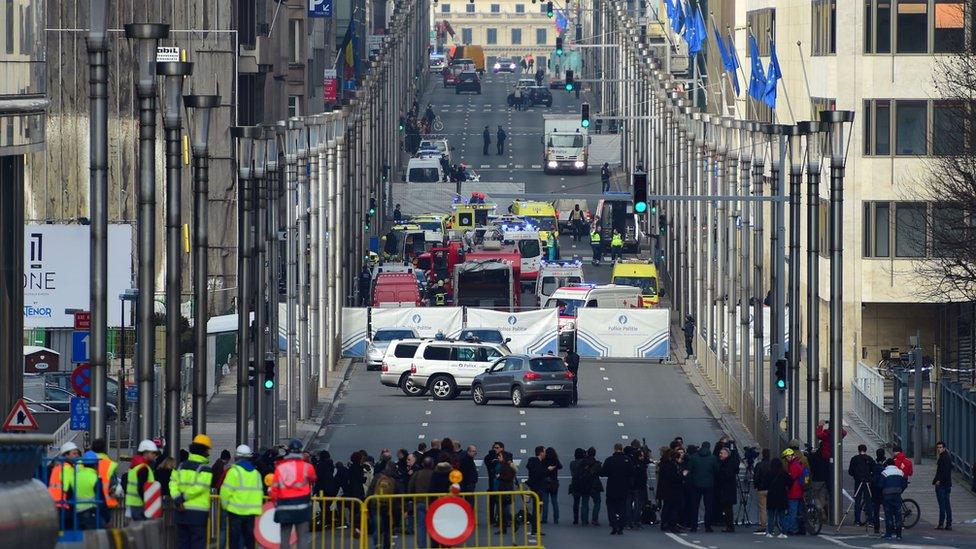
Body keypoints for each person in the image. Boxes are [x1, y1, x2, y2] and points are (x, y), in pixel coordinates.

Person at [270, 440, 317, 549]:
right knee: (302, 538)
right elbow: (313, 478)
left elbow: (274, 489)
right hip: (302, 507)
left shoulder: (280, 468)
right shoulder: (307, 467)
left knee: (285, 538)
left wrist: (276, 503)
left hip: (284, 507)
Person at [171, 434, 214, 549]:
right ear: (204, 450)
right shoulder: (205, 469)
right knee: (197, 544)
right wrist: (183, 498)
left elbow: (172, 483)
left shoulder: (180, 466)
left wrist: (177, 499)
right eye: (207, 450)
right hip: (198, 515)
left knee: (182, 543)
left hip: (180, 512)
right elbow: (199, 487)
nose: (208, 453)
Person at [220, 444, 263, 549]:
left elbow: (225, 492)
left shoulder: (234, 472)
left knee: (234, 541)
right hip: (251, 513)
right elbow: (260, 493)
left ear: (236, 457)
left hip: (235, 512)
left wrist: (225, 506)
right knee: (249, 541)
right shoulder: (256, 474)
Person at [600, 443, 633, 535]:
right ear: (621, 449)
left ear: (614, 449)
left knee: (611, 507)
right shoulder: (627, 460)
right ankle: (621, 526)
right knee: (622, 507)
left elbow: (603, 473)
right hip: (623, 487)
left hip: (612, 487)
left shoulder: (609, 460)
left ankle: (614, 525)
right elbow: (632, 472)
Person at [686, 441, 718, 532]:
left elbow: (689, 470)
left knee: (694, 506)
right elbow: (716, 471)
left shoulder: (693, 457)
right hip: (709, 485)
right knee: (708, 506)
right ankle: (708, 526)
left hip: (695, 484)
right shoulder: (713, 458)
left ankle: (694, 526)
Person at [127, 439, 160, 521]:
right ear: (145, 453)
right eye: (153, 453)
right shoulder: (143, 468)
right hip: (142, 506)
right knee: (145, 531)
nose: (155, 455)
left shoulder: (134, 467)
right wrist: (150, 504)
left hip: (133, 505)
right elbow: (142, 488)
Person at [90, 437, 119, 524]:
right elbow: (114, 484)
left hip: (88, 501)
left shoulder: (83, 461)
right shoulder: (109, 463)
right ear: (104, 448)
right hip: (107, 501)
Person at [74, 451, 105, 530]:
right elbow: (101, 500)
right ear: (95, 465)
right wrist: (106, 517)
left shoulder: (75, 476)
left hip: (75, 514)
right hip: (90, 514)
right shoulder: (95, 478)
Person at [880, 457, 908, 540]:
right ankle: (899, 534)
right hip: (897, 495)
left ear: (887, 464)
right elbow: (904, 484)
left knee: (888, 514)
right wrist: (900, 490)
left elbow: (880, 485)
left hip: (887, 495)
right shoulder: (900, 472)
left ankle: (889, 534)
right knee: (898, 514)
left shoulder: (884, 473)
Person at [849, 444, 876, 527]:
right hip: (867, 482)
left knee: (857, 501)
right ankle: (870, 521)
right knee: (868, 501)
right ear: (866, 450)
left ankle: (857, 520)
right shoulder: (869, 459)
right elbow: (874, 470)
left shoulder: (854, 459)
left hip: (858, 482)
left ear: (858, 450)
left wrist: (856, 476)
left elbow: (850, 471)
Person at [765, 457, 790, 538]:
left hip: (772, 496)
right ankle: (784, 532)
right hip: (782, 496)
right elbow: (790, 482)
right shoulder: (784, 473)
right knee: (782, 515)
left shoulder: (769, 473)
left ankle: (770, 532)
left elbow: (765, 483)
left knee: (771, 515)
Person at [715, 447, 738, 532]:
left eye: (722, 453)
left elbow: (727, 475)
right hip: (727, 489)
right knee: (727, 508)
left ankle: (730, 526)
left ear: (727, 454)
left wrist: (720, 476)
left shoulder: (728, 463)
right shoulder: (726, 462)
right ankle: (729, 525)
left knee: (728, 509)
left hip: (727, 489)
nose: (720, 455)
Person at [784, 448, 805, 535]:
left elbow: (791, 479)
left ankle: (792, 529)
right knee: (799, 512)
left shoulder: (793, 466)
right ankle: (800, 529)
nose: (786, 459)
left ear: (790, 456)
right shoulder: (799, 464)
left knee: (792, 512)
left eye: (786, 457)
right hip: (800, 491)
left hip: (793, 492)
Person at [526, 446, 549, 523]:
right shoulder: (537, 463)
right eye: (544, 452)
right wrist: (547, 470)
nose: (545, 454)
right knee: (537, 508)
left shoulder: (533, 461)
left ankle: (535, 527)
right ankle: (535, 527)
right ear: (541, 453)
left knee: (537, 507)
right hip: (537, 488)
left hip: (535, 487)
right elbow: (538, 474)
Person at [934, 441, 953, 530]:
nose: (939, 449)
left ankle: (942, 523)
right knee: (946, 504)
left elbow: (944, 472)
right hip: (946, 484)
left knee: (942, 505)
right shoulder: (946, 456)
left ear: (944, 448)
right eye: (938, 447)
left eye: (940, 447)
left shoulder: (944, 457)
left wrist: (938, 481)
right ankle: (948, 523)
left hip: (942, 485)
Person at [543, 447, 563, 524]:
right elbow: (560, 466)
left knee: (545, 502)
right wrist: (554, 467)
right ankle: (556, 518)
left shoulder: (544, 460)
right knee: (554, 502)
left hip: (545, 482)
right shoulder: (555, 460)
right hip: (554, 482)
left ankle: (545, 519)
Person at [753, 448, 771, 533]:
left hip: (761, 489)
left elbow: (756, 477)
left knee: (762, 508)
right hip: (771, 489)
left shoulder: (759, 465)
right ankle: (772, 524)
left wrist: (756, 485)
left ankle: (763, 525)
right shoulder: (772, 464)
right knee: (772, 508)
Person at [569, 448, 586, 525]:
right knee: (584, 502)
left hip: (574, 482)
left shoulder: (572, 463)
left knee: (576, 502)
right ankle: (583, 518)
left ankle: (575, 519)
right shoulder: (583, 462)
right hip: (582, 483)